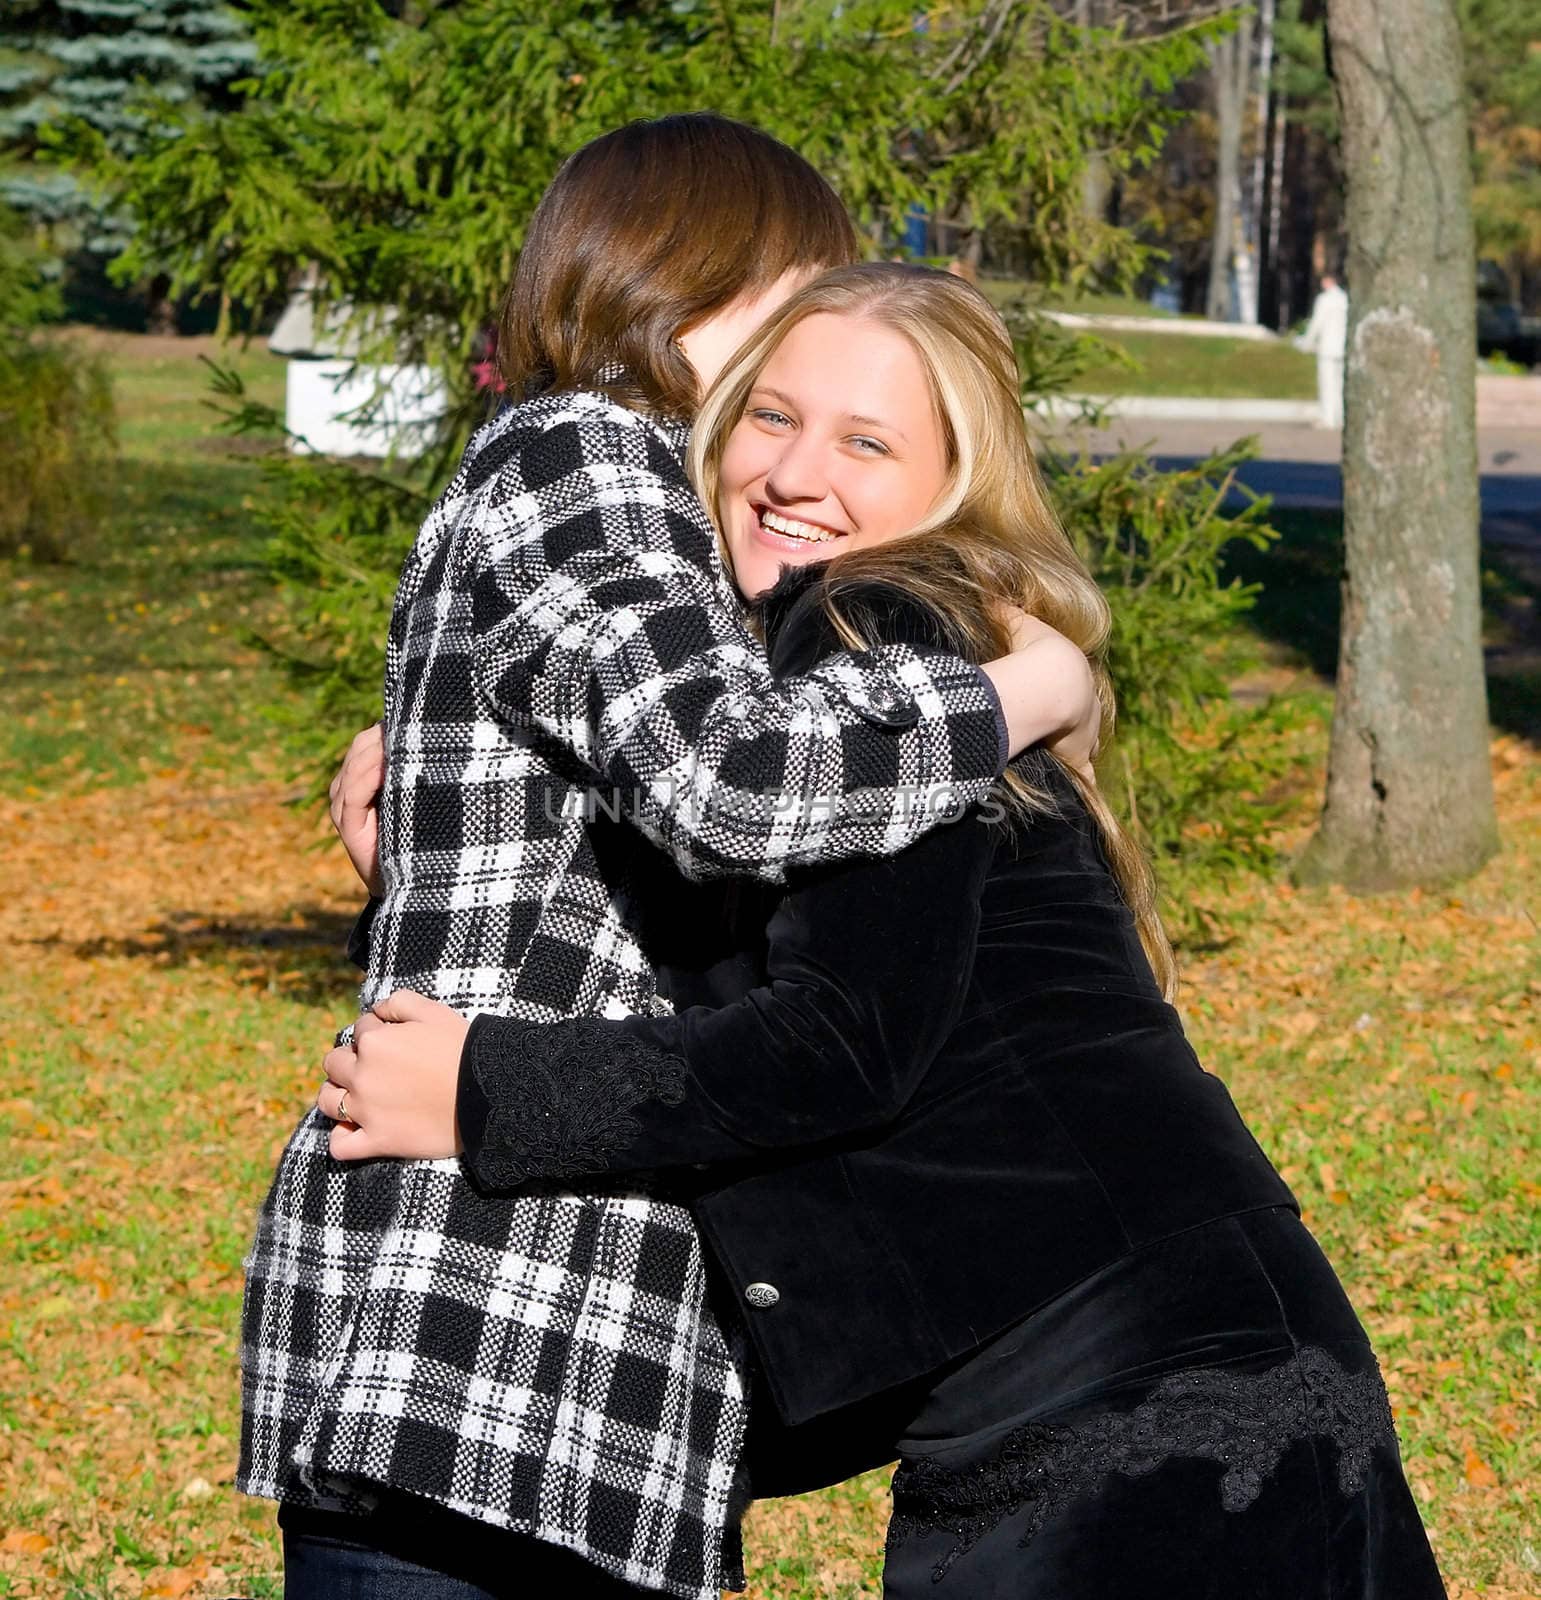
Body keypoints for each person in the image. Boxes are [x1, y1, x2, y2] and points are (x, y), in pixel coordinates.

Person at [323, 263, 1449, 1598]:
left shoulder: (880, 628)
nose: (801, 472)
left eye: (867, 441)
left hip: (1148, 1400)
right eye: (773, 419)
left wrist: (482, 1087)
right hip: (1110, 1383)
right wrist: (467, 770)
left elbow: (838, 1043)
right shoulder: (806, 696)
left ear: (952, 484)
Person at [243, 120, 1099, 1600]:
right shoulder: (594, 452)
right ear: (695, 280)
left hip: (547, 1362)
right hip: (498, 1333)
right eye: (794, 302)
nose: (811, 356)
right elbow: (739, 783)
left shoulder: (604, 490)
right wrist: (1031, 688)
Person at [1296, 271, 1349, 430]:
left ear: (1328, 281)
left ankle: (1327, 417)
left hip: (1327, 346)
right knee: (1339, 384)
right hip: (1342, 347)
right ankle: (1340, 417)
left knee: (1326, 383)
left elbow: (1317, 323)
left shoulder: (1324, 300)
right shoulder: (1344, 299)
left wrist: (1307, 342)